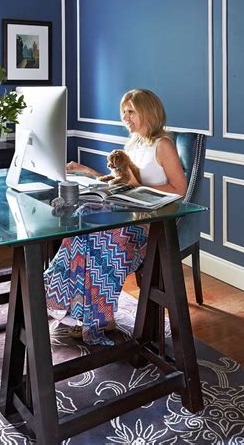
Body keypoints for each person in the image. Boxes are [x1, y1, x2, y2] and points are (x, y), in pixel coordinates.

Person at [44, 88, 187, 345]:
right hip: (131, 215)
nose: (125, 117)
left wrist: (138, 188)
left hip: (150, 227)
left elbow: (180, 190)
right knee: (80, 230)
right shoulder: (133, 144)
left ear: (148, 112)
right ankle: (74, 308)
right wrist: (85, 171)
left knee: (103, 240)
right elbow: (119, 181)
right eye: (124, 112)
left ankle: (100, 316)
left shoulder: (162, 144)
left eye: (131, 111)